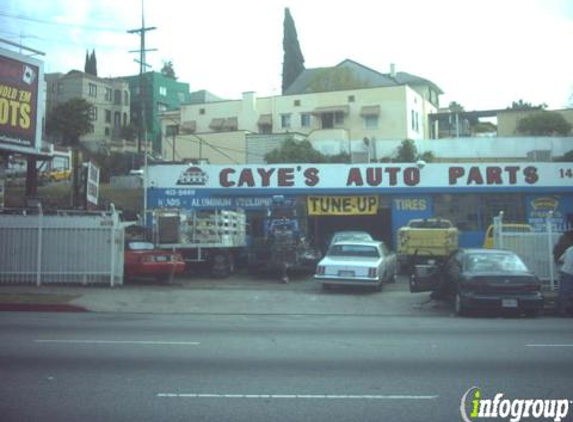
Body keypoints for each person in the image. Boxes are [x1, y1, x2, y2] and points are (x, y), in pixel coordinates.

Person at [556, 245, 573, 317]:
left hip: (566, 272)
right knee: (565, 293)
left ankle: (561, 311)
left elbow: (560, 260)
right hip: (569, 272)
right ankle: (561, 311)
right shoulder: (571, 250)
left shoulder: (569, 249)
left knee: (564, 292)